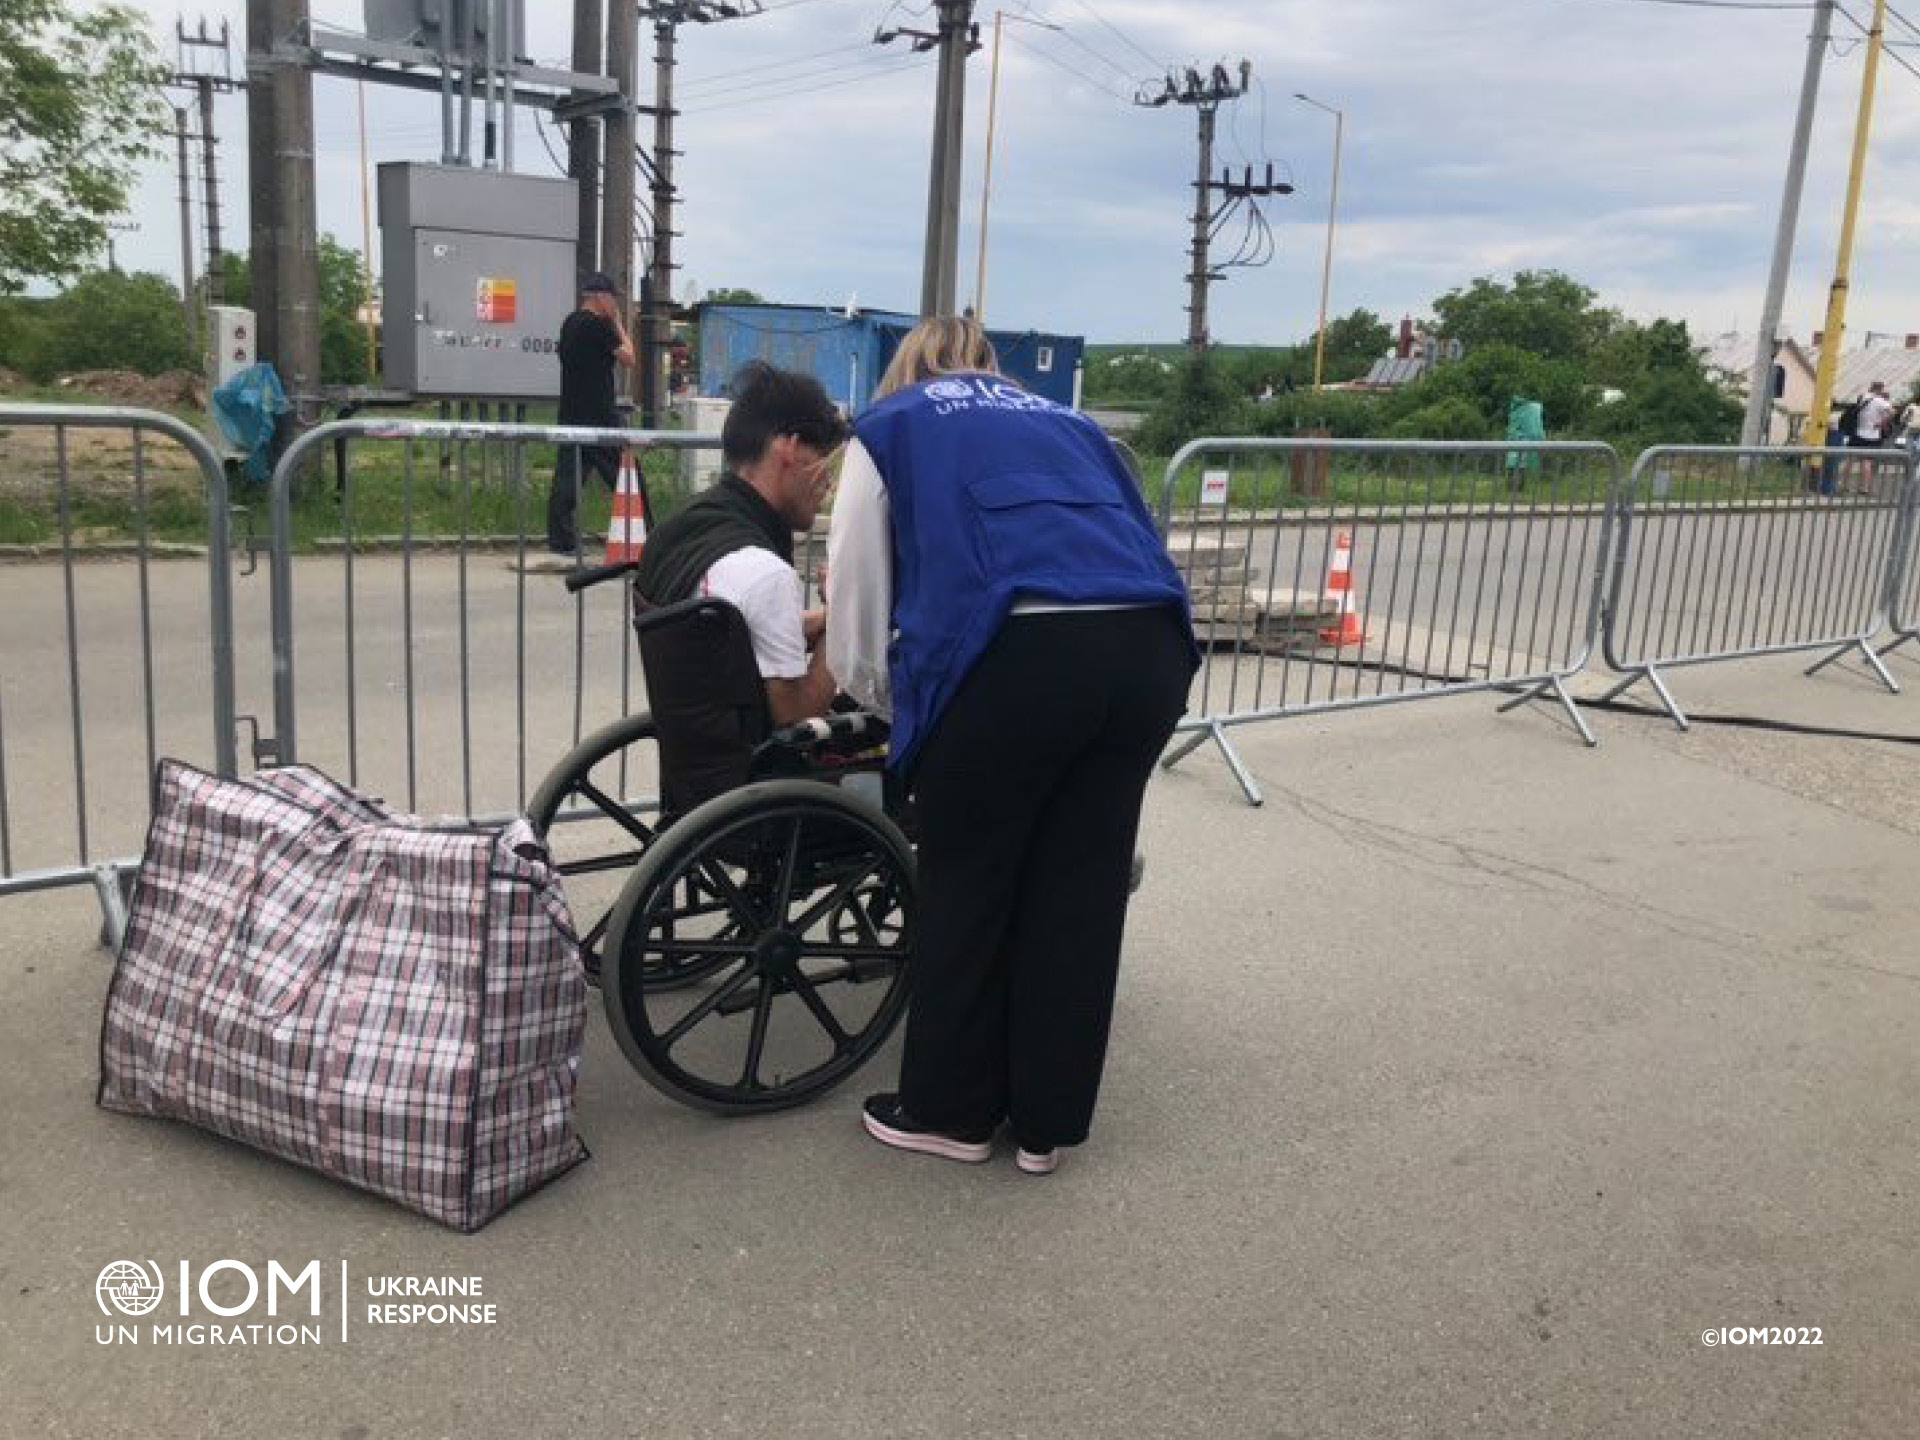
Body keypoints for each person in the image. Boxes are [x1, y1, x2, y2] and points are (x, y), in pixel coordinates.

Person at [827, 316, 1198, 1177]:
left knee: (970, 881)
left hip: (1016, 657)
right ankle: (1043, 1126)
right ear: (993, 369)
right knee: (1081, 889)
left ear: (904, 369)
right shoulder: (1072, 425)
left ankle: (949, 1113)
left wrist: (892, 705)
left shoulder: (893, 426)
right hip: (1146, 649)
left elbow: (857, 601)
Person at [632, 360, 847, 727]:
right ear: (792, 449)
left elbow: (731, 635)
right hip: (760, 772)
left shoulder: (679, 531)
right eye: (825, 464)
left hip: (693, 759)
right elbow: (795, 714)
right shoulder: (764, 573)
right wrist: (844, 620)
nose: (827, 483)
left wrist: (821, 622)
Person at [546, 272, 635, 558]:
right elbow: (629, 358)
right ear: (599, 297)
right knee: (627, 476)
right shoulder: (599, 326)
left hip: (571, 413)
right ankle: (645, 533)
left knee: (567, 479)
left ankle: (561, 540)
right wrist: (619, 324)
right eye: (612, 299)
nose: (614, 305)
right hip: (599, 418)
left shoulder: (569, 323)